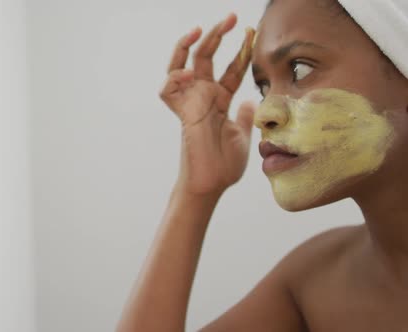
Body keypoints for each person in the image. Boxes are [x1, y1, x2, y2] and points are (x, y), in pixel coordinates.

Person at [116, 0, 408, 331]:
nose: (263, 113)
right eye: (263, 86)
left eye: (300, 69)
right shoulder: (314, 281)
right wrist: (195, 191)